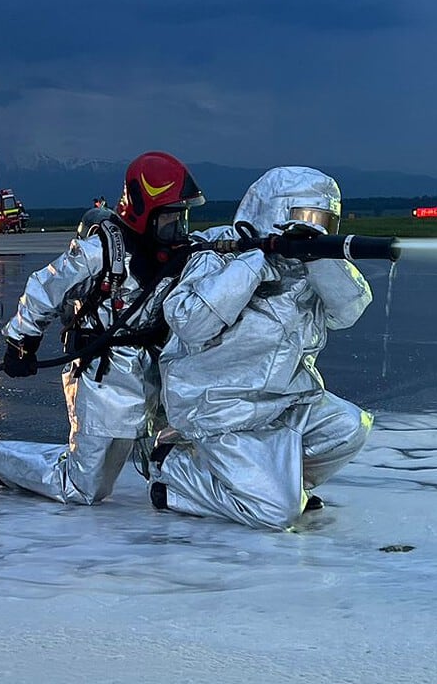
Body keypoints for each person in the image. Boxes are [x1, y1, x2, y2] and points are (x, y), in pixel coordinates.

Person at [145, 166, 373, 531]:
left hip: (289, 399)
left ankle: (282, 485)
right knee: (277, 514)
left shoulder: (312, 266)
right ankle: (175, 475)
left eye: (322, 220)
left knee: (349, 427)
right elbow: (190, 322)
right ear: (272, 212)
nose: (312, 227)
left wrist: (320, 258)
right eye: (302, 218)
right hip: (221, 408)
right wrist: (252, 263)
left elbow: (349, 310)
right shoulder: (219, 252)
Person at [0, 152, 203, 505]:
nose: (178, 231)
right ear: (144, 215)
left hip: (159, 368)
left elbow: (223, 246)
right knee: (83, 486)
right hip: (105, 376)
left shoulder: (182, 254)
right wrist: (22, 341)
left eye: (182, 220)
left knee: (172, 456)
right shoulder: (100, 253)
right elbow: (44, 288)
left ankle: (186, 490)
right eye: (169, 221)